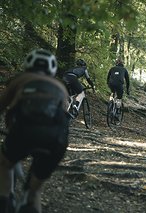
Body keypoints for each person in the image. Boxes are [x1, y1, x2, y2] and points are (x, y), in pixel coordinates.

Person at [0, 49, 69, 213]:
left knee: (3, 165)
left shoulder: (20, 79)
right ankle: (31, 201)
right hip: (56, 140)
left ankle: (5, 202)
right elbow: (64, 116)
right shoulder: (60, 87)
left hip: (23, 133)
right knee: (35, 190)